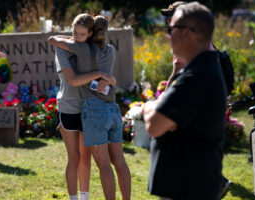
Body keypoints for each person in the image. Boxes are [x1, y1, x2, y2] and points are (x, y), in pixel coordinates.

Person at [143, 2, 226, 199]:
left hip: (187, 187)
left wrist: (150, 106)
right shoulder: (203, 68)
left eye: (171, 29)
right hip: (190, 184)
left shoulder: (196, 76)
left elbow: (154, 125)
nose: (168, 35)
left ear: (187, 32)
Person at [49, 15, 131, 200]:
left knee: (97, 162)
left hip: (90, 110)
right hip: (92, 107)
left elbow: (52, 39)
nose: (77, 36)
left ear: (91, 33)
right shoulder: (108, 50)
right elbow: (74, 79)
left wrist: (106, 77)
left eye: (81, 34)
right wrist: (105, 76)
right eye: (74, 33)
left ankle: (83, 197)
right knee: (84, 158)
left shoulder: (84, 49)